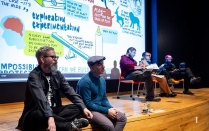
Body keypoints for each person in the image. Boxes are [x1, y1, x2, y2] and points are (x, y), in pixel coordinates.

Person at [16, 46, 93, 131]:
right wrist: (50, 116)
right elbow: (41, 99)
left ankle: (57, 122)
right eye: (53, 57)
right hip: (37, 111)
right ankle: (69, 126)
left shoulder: (57, 74)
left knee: (78, 107)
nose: (56, 59)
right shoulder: (34, 76)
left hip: (55, 110)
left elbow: (69, 91)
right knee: (38, 115)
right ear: (42, 59)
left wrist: (83, 108)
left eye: (56, 57)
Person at [76, 56, 127, 131]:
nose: (103, 66)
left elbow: (104, 99)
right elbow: (88, 104)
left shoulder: (102, 80)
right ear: (91, 67)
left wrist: (111, 108)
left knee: (122, 118)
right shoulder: (84, 81)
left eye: (103, 63)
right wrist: (107, 111)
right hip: (88, 111)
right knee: (109, 126)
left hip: (99, 108)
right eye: (99, 64)